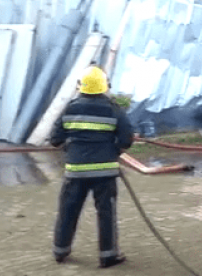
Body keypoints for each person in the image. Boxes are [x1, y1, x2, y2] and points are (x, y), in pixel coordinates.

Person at [50, 66, 134, 268]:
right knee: (106, 213)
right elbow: (126, 139)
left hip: (75, 170)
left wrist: (71, 147)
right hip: (105, 172)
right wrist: (114, 150)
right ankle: (108, 255)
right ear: (105, 86)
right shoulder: (114, 109)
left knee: (68, 211)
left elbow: (55, 139)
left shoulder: (70, 108)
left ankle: (60, 251)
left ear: (81, 86)